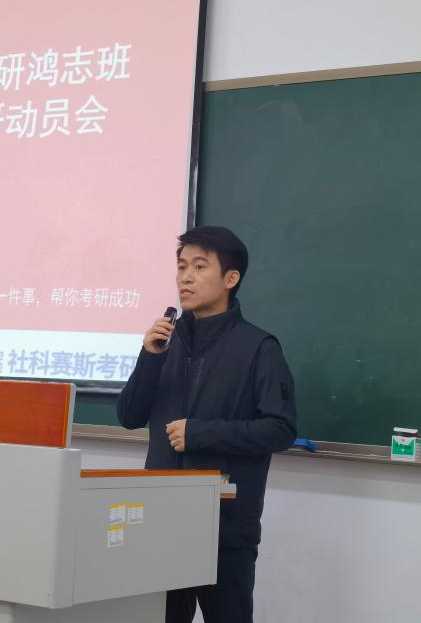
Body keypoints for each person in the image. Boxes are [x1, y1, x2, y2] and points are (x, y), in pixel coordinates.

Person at [116, 225, 297, 623]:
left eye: (200, 267)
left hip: (224, 528)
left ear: (230, 278)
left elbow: (280, 429)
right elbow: (128, 417)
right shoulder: (166, 342)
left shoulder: (259, 348)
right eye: (182, 266)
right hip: (162, 520)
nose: (186, 277)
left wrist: (201, 432)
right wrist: (149, 357)